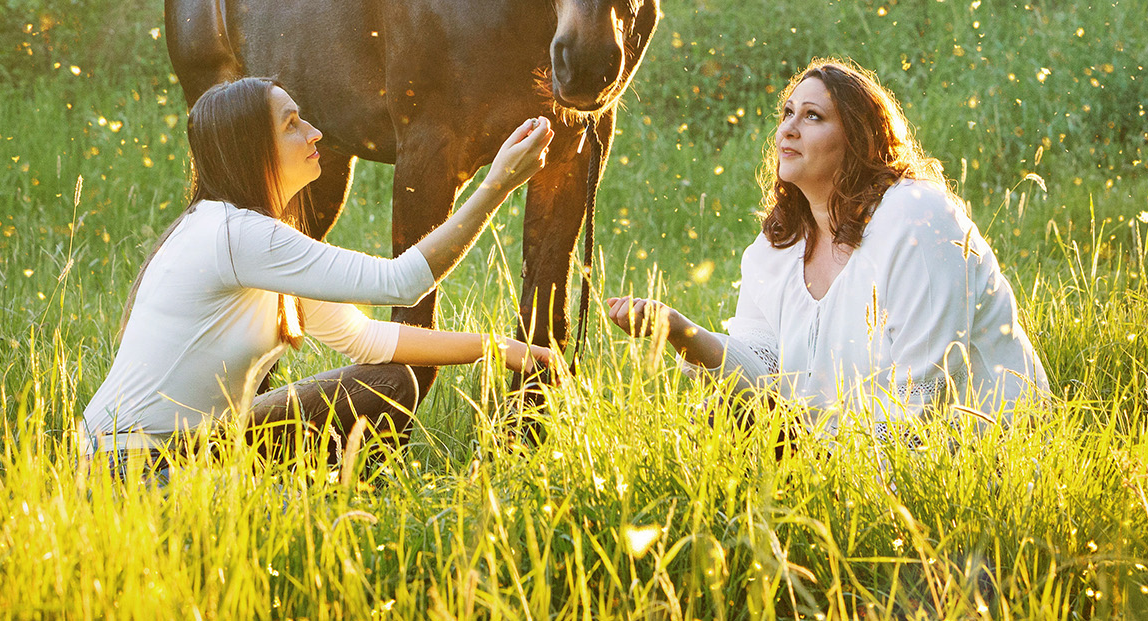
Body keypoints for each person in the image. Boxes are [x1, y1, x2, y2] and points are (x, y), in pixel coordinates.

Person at [81, 75, 558, 477]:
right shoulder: (236, 234)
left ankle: (323, 501)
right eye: (292, 124)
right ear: (253, 150)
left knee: (389, 382)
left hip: (199, 443)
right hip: (133, 465)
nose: (314, 134)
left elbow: (364, 340)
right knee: (308, 528)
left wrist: (498, 348)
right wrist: (498, 184)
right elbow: (403, 282)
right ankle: (321, 510)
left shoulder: (246, 232)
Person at [606, 59, 1048, 441]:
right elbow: (763, 377)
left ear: (857, 139)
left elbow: (924, 393)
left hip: (975, 448)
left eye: (813, 116)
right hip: (848, 455)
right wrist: (678, 330)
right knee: (725, 420)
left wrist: (832, 470)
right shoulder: (775, 249)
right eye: (787, 112)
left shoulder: (918, 217)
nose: (788, 129)